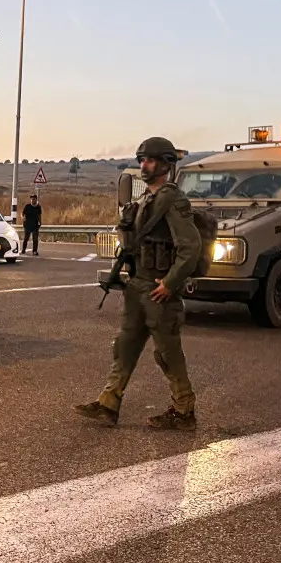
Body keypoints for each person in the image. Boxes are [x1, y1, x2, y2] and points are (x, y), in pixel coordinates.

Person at [74, 136, 202, 430]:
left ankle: (184, 410)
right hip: (138, 283)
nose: (144, 165)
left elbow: (190, 247)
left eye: (151, 160)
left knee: (167, 352)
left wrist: (170, 283)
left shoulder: (173, 201)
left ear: (166, 164)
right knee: (126, 345)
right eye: (142, 160)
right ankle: (109, 402)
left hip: (158, 289)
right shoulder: (146, 200)